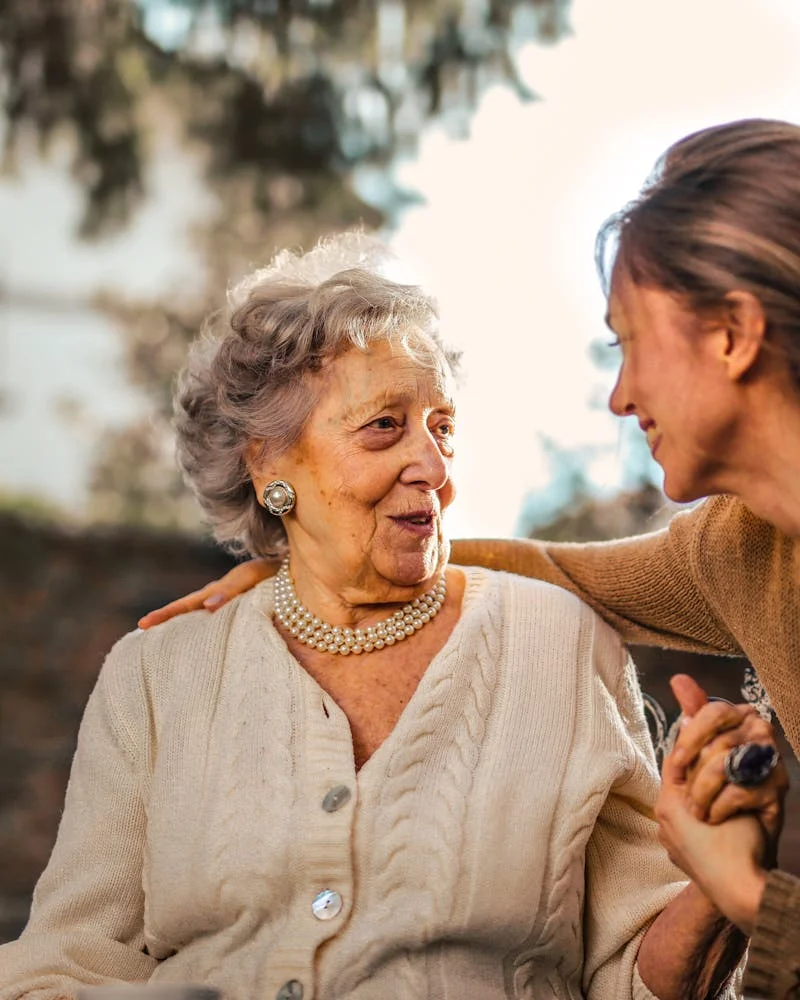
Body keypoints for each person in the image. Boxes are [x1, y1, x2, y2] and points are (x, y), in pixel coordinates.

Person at [142, 119, 800, 997]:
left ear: (733, 334)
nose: (620, 394)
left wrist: (747, 892)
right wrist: (314, 559)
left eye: (629, 340)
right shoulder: (738, 552)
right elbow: (558, 571)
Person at [0, 233, 746, 1000]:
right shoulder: (156, 675)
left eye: (443, 427)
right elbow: (63, 969)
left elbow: (638, 979)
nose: (434, 467)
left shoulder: (561, 646)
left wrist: (721, 886)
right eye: (385, 426)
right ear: (268, 464)